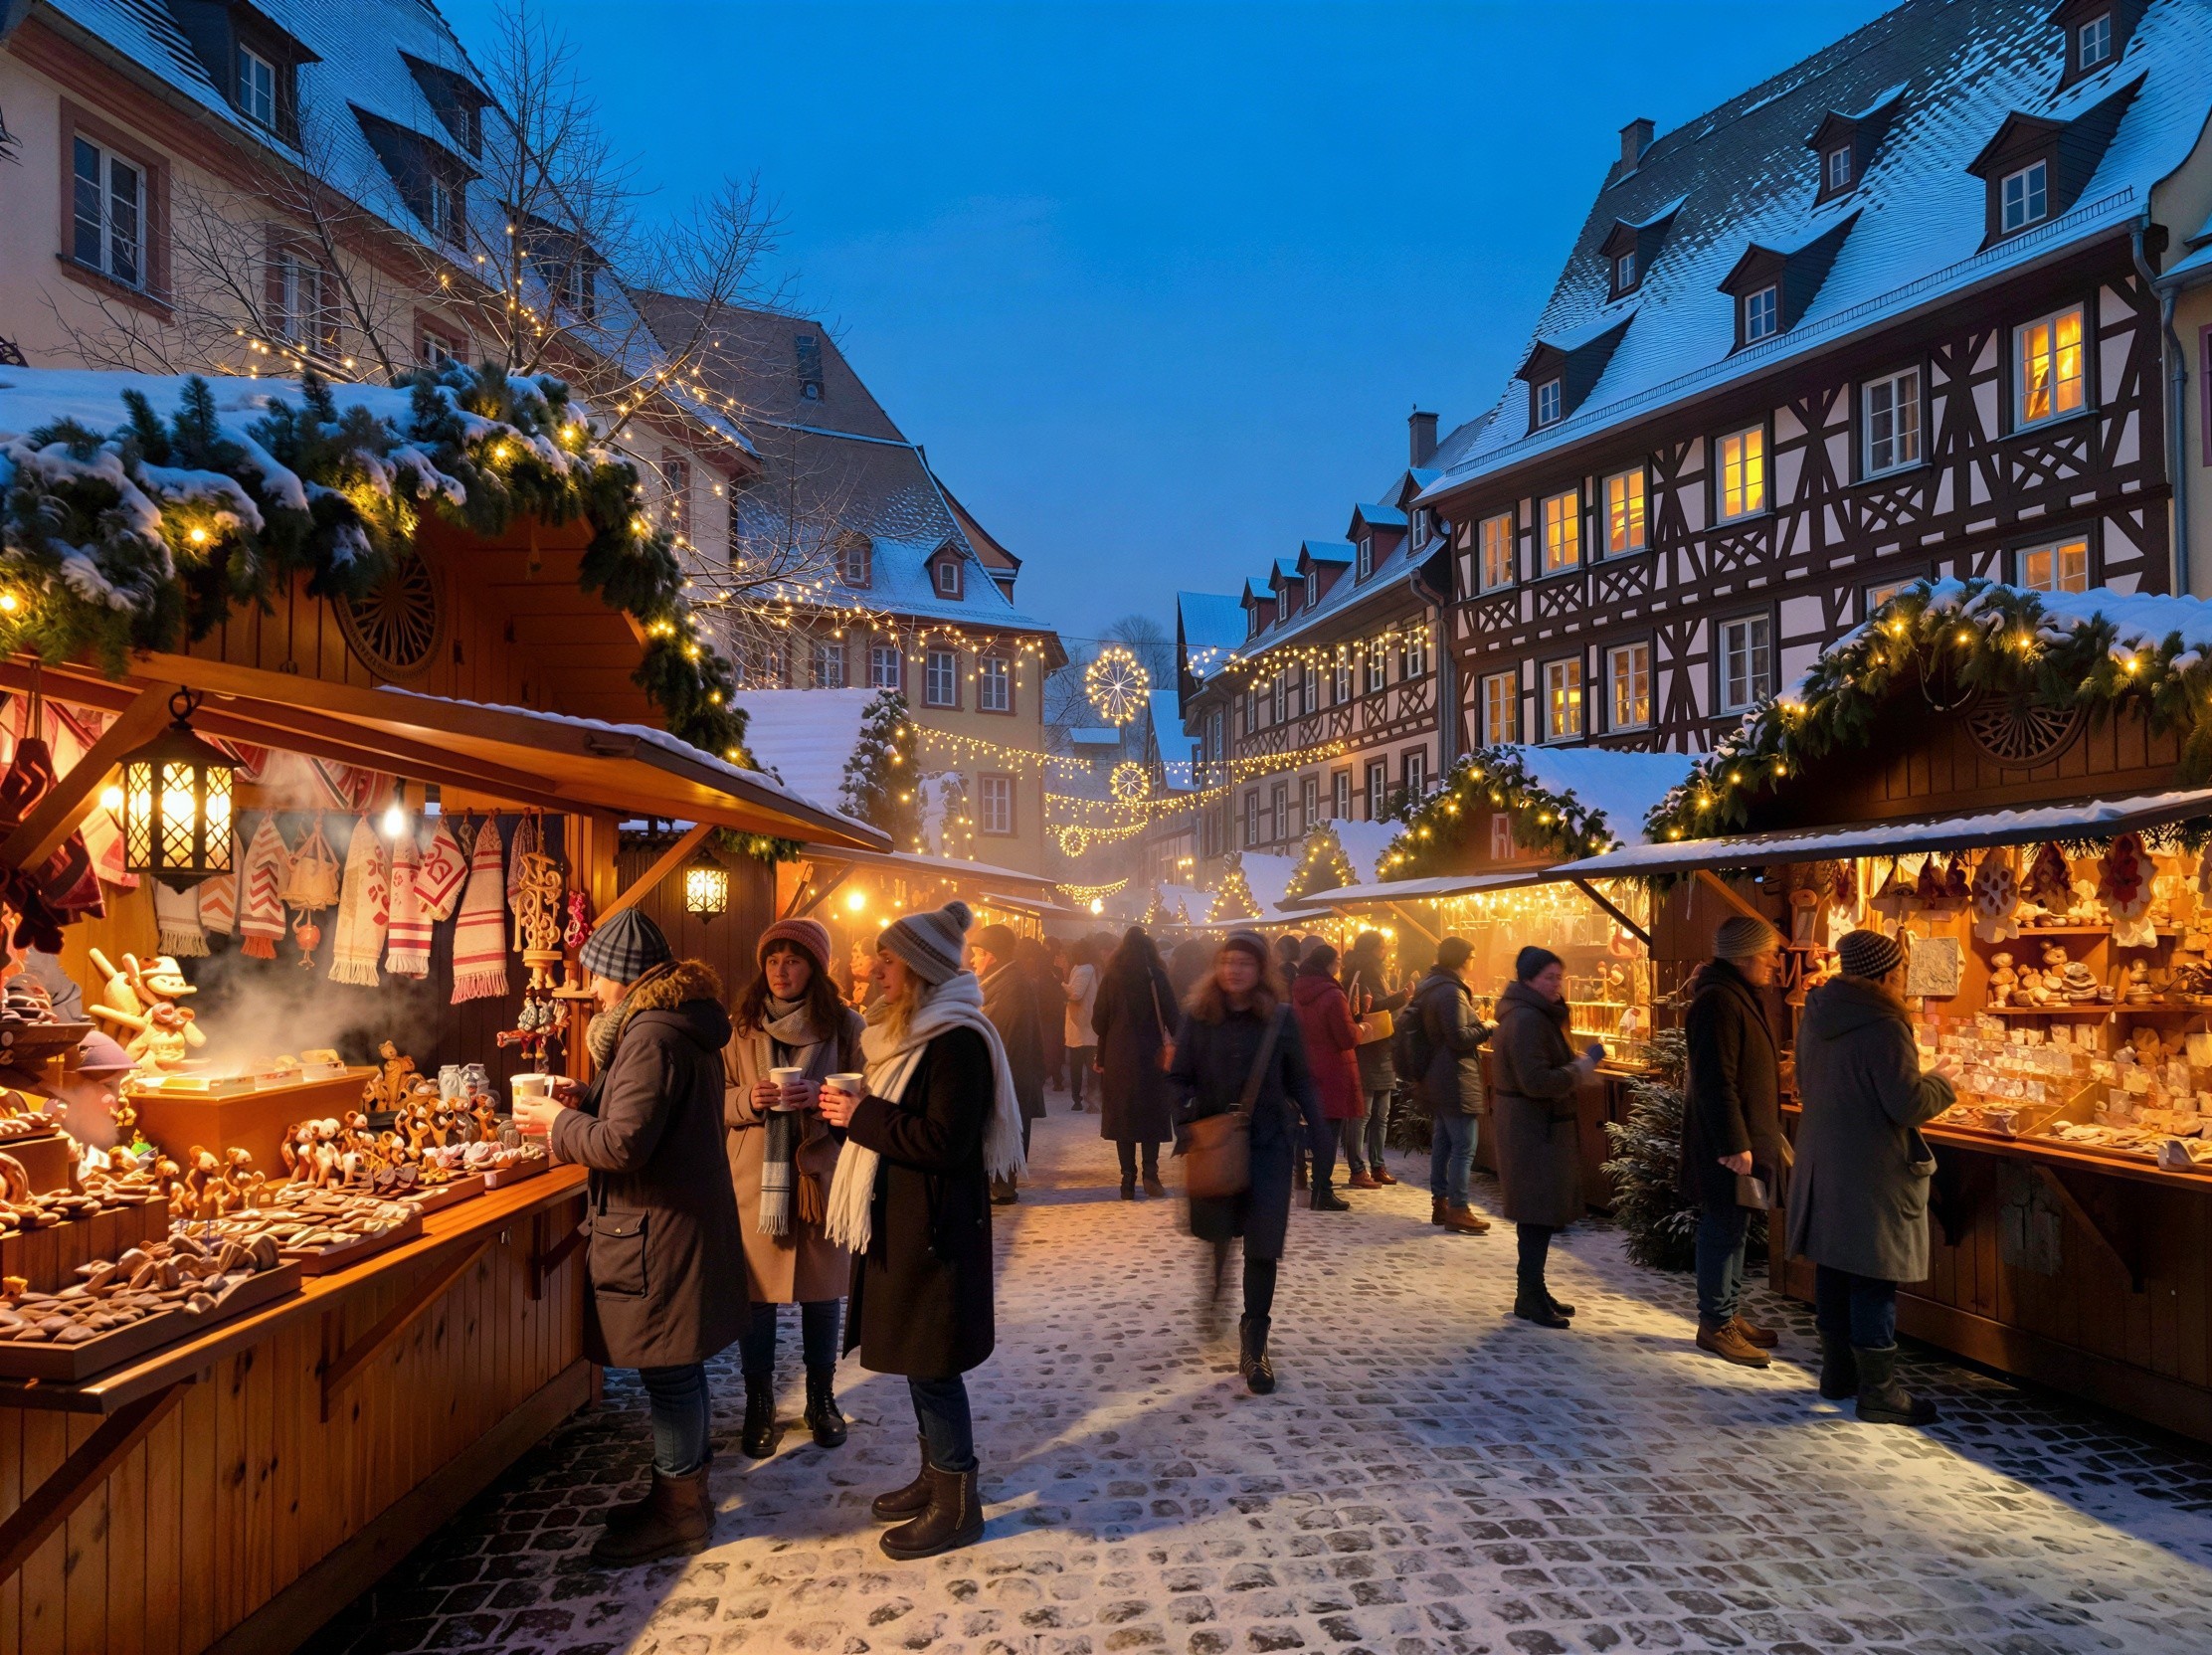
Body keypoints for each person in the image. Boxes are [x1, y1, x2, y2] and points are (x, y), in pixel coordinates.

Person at [511, 909, 744, 1564]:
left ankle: (680, 1513)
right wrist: (587, 1098)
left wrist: (558, 1122)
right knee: (678, 1371)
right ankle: (678, 1493)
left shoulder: (649, 1036)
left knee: (669, 1374)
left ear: (624, 977)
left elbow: (623, 1146)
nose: (593, 990)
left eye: (597, 977)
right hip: (677, 1222)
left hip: (658, 1230)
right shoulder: (677, 1025)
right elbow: (643, 1118)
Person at [817, 900, 1026, 1559]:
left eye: (889, 960)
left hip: (935, 1230)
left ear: (922, 969)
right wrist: (844, 1117)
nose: (877, 970)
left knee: (934, 1366)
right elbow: (888, 1128)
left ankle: (957, 1503)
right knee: (916, 1360)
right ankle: (935, 1478)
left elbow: (944, 1141)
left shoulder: (955, 1038)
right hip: (902, 1219)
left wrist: (863, 1117)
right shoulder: (902, 1033)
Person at [1787, 928, 1955, 1426]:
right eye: (1901, 971)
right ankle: (1880, 1392)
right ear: (1886, 974)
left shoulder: (1816, 1013)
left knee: (1835, 1268)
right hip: (1873, 1169)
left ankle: (1838, 1374)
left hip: (1824, 1161)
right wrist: (1945, 1078)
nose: (1904, 980)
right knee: (1874, 1276)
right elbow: (1907, 1104)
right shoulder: (1884, 1024)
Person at [722, 917, 865, 1457]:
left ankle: (820, 1398)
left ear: (816, 969)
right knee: (755, 1295)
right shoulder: (740, 1026)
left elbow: (868, 1093)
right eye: (772, 960)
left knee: (822, 1291)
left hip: (818, 1174)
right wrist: (748, 1101)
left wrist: (824, 1100)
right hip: (755, 1178)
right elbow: (714, 1095)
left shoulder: (845, 1026)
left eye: (795, 960)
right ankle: (759, 1403)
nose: (781, 971)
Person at [1168, 931, 1330, 1394]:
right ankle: (1217, 1283)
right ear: (1217, 968)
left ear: (1261, 970)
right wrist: (1188, 1116)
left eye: (1245, 962)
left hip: (1269, 1147)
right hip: (1216, 1146)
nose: (1234, 970)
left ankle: (1255, 1342)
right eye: (1227, 961)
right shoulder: (1198, 1018)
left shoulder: (1280, 1019)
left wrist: (1320, 1135)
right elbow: (1177, 1078)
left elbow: (1300, 1079)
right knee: (1218, 1230)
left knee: (1263, 1245)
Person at [1681, 914, 1785, 1369]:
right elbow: (1715, 1079)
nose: (1775, 963)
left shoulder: (1737, 994)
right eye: (1769, 955)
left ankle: (1727, 1310)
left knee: (1737, 1222)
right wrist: (1733, 1142)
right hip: (1725, 1138)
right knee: (1723, 1223)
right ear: (1743, 957)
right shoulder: (1718, 1001)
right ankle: (1715, 1323)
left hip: (1741, 1132)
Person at [1490, 945, 1600, 1329]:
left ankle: (1533, 1288)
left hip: (1537, 1127)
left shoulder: (1534, 1016)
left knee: (1539, 1215)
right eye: (1549, 977)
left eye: (1559, 976)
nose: (1557, 984)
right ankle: (1529, 1295)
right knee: (1536, 1215)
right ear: (1528, 979)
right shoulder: (1526, 1020)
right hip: (1533, 1130)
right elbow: (1536, 1081)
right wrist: (1581, 1067)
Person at [1409, 937, 1492, 1235]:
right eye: (1472, 955)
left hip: (1437, 1076)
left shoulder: (1430, 986)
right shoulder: (1451, 992)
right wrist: (1486, 1027)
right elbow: (1457, 1037)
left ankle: (1441, 1204)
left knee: (1444, 1143)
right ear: (1461, 958)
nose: (1473, 960)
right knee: (1464, 1147)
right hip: (1454, 1076)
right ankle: (1459, 1208)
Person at [1090, 926, 1179, 1198]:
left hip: (1119, 1056)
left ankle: (1127, 1179)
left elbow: (1098, 1022)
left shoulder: (1112, 977)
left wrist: (1103, 1052)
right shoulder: (1157, 976)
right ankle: (1151, 1174)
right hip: (1151, 1055)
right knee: (1151, 1113)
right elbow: (1173, 1017)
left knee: (1123, 1117)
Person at [974, 923, 1045, 1204]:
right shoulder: (1002, 983)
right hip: (1010, 1074)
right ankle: (1000, 1183)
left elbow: (1005, 1035)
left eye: (978, 953)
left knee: (1007, 1127)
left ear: (991, 955)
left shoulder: (1011, 987)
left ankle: (1003, 1186)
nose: (973, 959)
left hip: (1011, 1075)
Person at [1288, 942, 1358, 1210]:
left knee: (1313, 1130)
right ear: (1328, 964)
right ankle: (1322, 1191)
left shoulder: (1298, 992)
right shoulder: (1333, 995)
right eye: (1338, 961)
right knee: (1328, 1133)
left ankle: (1305, 1183)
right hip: (1333, 1070)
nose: (1340, 966)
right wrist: (1361, 1027)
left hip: (1307, 1067)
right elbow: (1346, 1037)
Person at [1341, 931, 1411, 1188]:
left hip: (1380, 1046)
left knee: (1379, 1112)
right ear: (1373, 949)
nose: (1386, 950)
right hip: (1370, 1046)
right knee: (1365, 1113)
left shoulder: (1366, 968)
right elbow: (1375, 1006)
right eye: (1383, 946)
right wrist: (1403, 995)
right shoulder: (1367, 968)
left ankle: (1376, 1165)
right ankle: (1360, 1168)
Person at [1021, 936, 1066, 1100]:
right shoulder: (1054, 965)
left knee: (1047, 1043)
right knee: (1054, 1044)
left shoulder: (1041, 965)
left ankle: (1049, 1076)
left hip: (1044, 1009)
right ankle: (1056, 1077)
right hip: (1054, 1009)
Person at [1062, 937, 1100, 1110]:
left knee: (1079, 1066)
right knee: (1088, 1065)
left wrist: (1060, 984)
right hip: (1085, 1024)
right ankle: (1089, 1099)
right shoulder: (1089, 968)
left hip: (1081, 1025)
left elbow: (1076, 994)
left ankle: (1079, 1100)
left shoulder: (1084, 969)